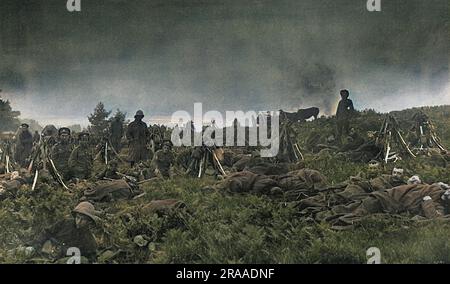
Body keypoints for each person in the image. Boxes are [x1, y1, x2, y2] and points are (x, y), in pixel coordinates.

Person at [27, 201, 101, 262]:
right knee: (23, 252)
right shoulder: (65, 223)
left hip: (63, 260)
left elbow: (91, 256)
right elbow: (47, 232)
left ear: (89, 221)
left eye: (83, 219)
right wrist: (34, 246)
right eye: (78, 217)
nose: (79, 221)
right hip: (46, 254)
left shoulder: (89, 239)